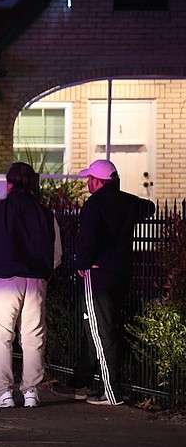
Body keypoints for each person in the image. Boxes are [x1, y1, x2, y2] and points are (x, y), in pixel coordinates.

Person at [52, 159, 155, 406]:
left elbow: (86, 238)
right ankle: (83, 380)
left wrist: (82, 264)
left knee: (102, 331)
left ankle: (111, 391)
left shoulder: (93, 205)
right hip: (122, 271)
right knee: (97, 326)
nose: (87, 182)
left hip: (97, 273)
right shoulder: (127, 202)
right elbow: (149, 208)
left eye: (90, 179)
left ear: (99, 181)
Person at [0, 162, 62, 408]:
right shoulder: (46, 214)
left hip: (1, 280)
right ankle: (31, 390)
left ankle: (2, 393)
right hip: (35, 280)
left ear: (8, 184)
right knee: (33, 337)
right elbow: (55, 256)